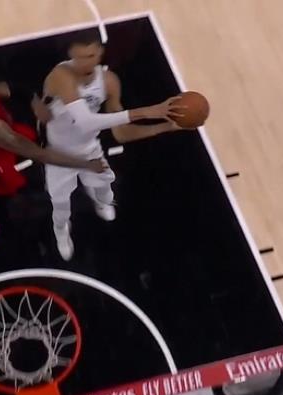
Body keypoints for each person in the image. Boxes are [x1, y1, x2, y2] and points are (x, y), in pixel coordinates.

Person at [42, 30, 188, 260]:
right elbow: (86, 121)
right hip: (58, 154)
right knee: (60, 205)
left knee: (104, 190)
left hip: (89, 148)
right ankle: (61, 231)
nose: (85, 63)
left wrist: (165, 126)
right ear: (70, 56)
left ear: (100, 52)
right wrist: (147, 111)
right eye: (79, 58)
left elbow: (121, 134)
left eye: (90, 56)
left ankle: (100, 202)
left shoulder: (109, 82)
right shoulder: (61, 76)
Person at [0, 77, 106, 246]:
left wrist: (35, 102)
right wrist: (86, 164)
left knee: (41, 133)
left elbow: (16, 88)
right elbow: (41, 155)